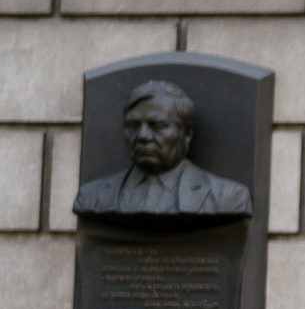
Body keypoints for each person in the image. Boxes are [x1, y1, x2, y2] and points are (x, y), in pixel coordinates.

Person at [74, 82, 253, 221]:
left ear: (186, 134)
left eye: (157, 126)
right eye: (132, 126)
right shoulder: (91, 198)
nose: (143, 136)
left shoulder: (227, 198)